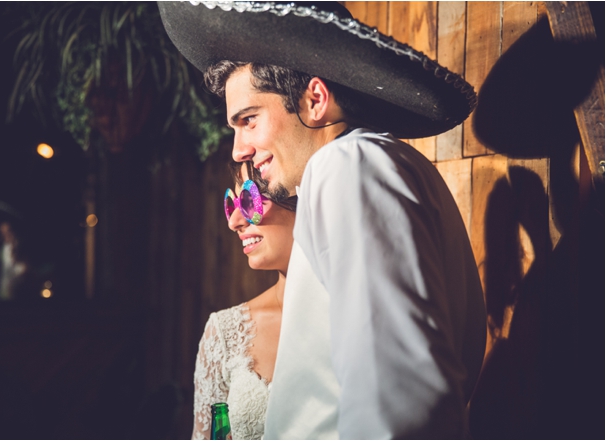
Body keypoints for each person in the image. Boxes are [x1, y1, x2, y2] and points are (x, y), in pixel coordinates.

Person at [160, 2, 487, 438]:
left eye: (249, 120)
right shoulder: (381, 164)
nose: (239, 149)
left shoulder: (347, 164)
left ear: (314, 100)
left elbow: (396, 398)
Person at [192, 162, 297, 440]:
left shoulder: (360, 315)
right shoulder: (225, 332)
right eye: (232, 203)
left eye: (250, 200)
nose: (234, 221)